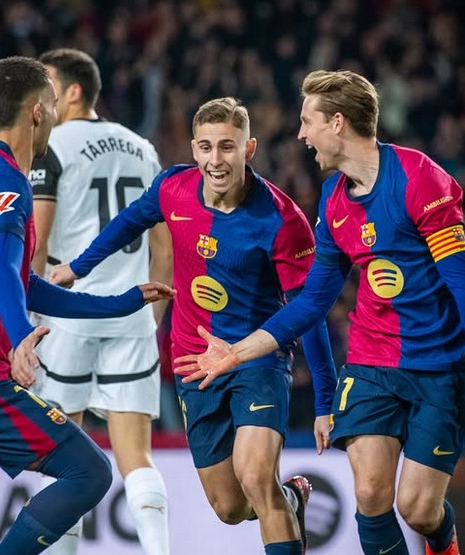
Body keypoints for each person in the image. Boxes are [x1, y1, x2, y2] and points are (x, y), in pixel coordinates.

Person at [173, 70, 465, 555]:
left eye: (307, 121)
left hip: (439, 366)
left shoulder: (420, 180)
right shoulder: (333, 203)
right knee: (371, 495)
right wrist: (239, 354)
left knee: (418, 509)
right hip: (371, 365)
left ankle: (443, 538)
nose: (300, 134)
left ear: (336, 123)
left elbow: (462, 278)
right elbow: (313, 301)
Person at [0, 55, 174, 555]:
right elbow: (6, 273)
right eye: (48, 102)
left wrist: (118, 303)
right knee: (89, 472)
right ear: (37, 112)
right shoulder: (9, 185)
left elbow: (23, 280)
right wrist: (22, 336)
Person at [50, 96, 338, 555]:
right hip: (192, 362)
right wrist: (76, 268)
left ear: (249, 149)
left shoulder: (282, 221)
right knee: (229, 506)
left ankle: (276, 496)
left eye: (227, 147)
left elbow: (310, 309)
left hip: (255, 363)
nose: (215, 160)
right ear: (193, 147)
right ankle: (290, 497)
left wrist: (326, 398)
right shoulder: (173, 188)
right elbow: (128, 222)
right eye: (205, 147)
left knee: (255, 475)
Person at [28, 48, 172, 555]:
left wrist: (27, 318)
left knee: (61, 457)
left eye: (47, 83)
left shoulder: (52, 145)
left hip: (67, 315)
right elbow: (163, 244)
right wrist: (152, 318)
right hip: (132, 313)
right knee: (137, 456)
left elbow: (38, 240)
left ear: (73, 91)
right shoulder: (142, 146)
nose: (41, 96)